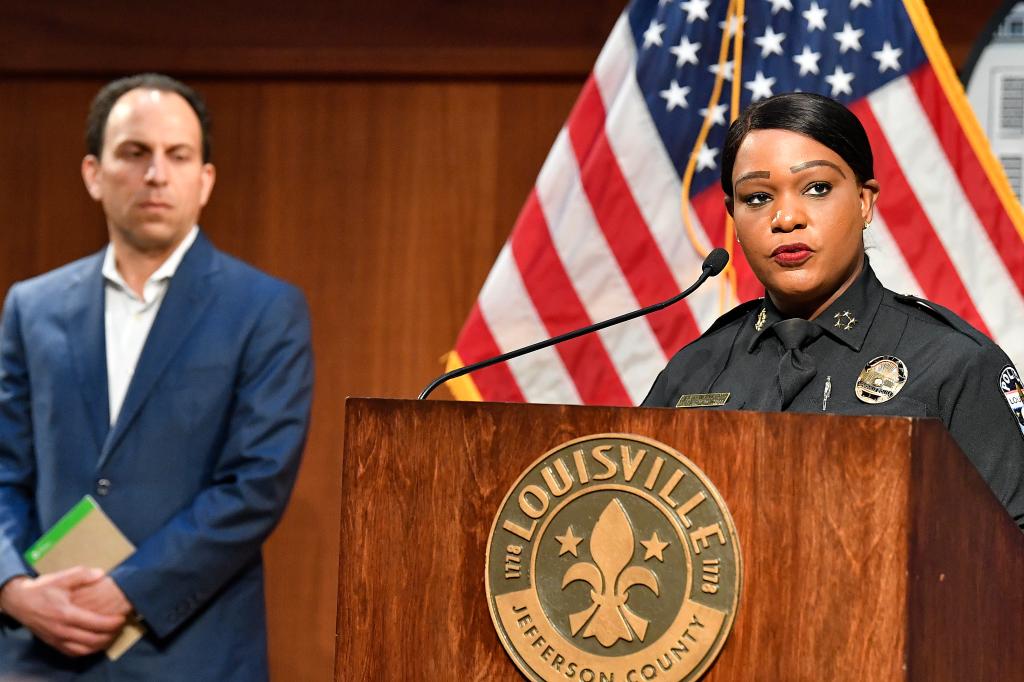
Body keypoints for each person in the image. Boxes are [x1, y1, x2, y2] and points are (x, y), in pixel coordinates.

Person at [0, 74, 313, 680]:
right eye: (134, 153)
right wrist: (11, 585)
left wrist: (128, 591)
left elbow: (255, 485)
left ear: (206, 179)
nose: (156, 174)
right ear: (94, 173)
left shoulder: (266, 310)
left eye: (178, 155)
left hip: (192, 655)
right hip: (39, 652)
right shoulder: (30, 307)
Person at [643, 92, 1024, 527]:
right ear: (733, 217)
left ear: (864, 202)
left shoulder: (953, 365)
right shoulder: (694, 370)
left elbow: (1009, 560)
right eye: (757, 198)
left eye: (817, 188)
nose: (786, 218)